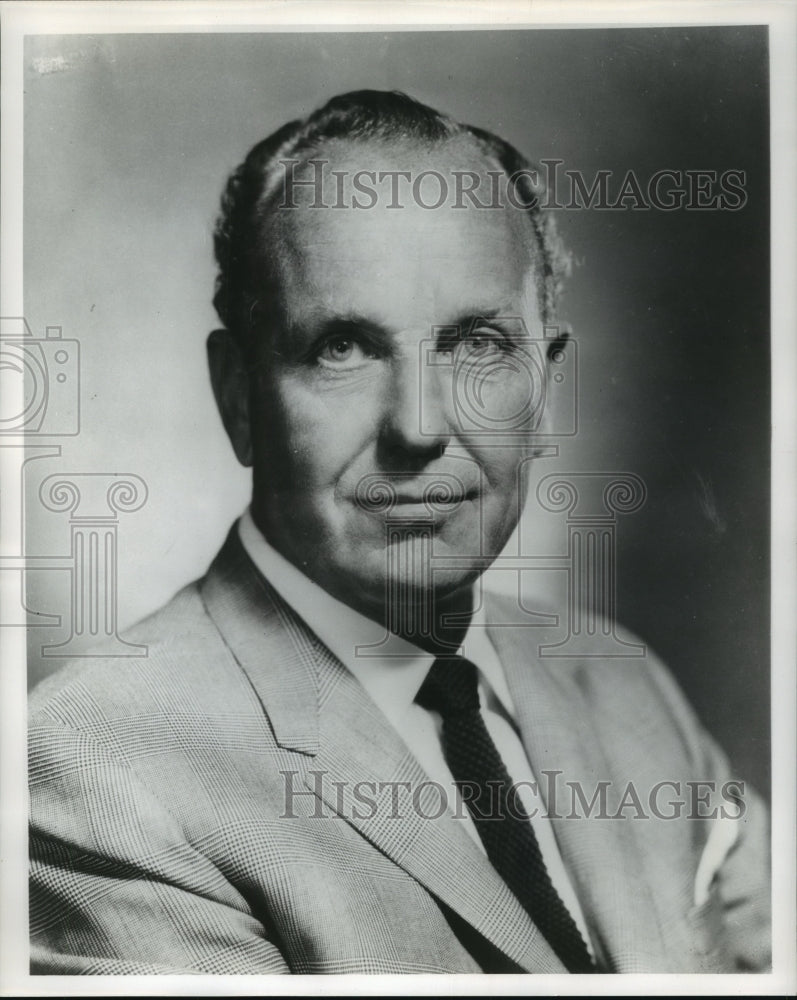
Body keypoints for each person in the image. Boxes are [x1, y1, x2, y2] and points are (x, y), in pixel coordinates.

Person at [28, 90, 770, 975]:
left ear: (545, 391)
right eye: (342, 347)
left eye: (476, 345)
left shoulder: (623, 686)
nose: (419, 427)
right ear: (238, 397)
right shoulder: (95, 768)